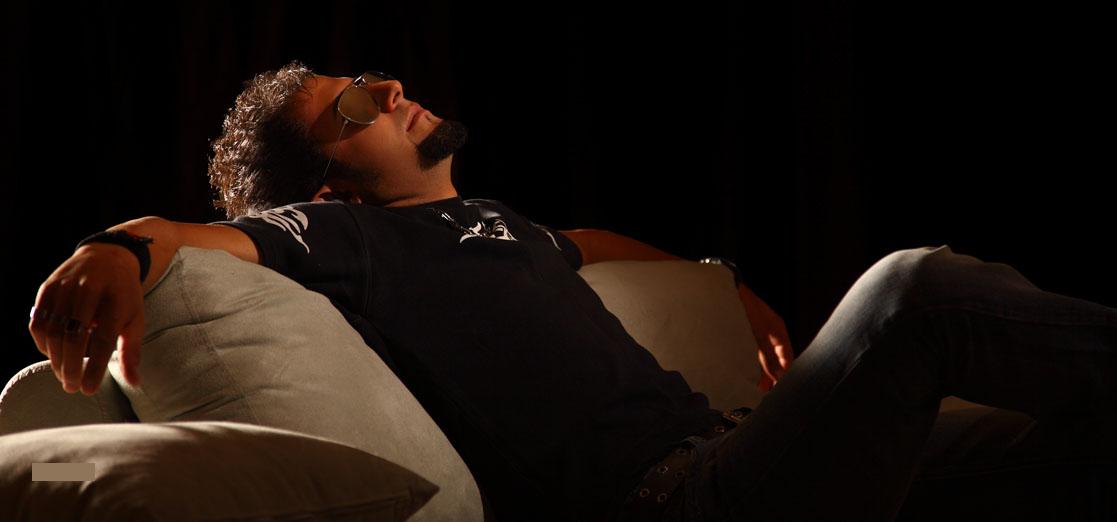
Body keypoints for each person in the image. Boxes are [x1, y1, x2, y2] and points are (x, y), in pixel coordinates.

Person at [27, 61, 1116, 522]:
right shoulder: (343, 235)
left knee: (1059, 439)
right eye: (356, 103)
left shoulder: (492, 224)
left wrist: (722, 281)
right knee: (914, 288)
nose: (392, 87)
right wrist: (111, 250)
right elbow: (191, 237)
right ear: (325, 184)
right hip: (670, 501)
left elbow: (587, 243)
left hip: (734, 448)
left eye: (373, 77)